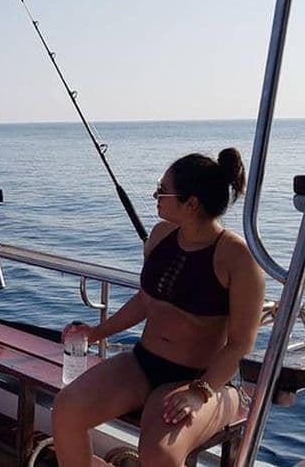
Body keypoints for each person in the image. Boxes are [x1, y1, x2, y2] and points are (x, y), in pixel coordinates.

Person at [52, 148, 265, 466]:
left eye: (162, 191)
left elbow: (240, 343)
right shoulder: (161, 235)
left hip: (204, 381)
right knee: (67, 408)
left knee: (159, 453)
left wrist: (199, 391)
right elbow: (146, 300)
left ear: (191, 204)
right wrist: (96, 332)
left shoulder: (239, 259)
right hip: (143, 363)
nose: (156, 196)